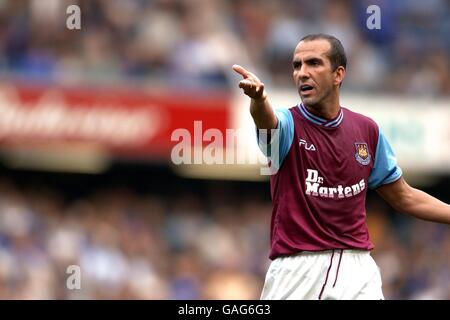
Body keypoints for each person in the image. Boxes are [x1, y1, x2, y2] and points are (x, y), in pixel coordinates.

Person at [232, 33, 450, 300]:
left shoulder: (366, 131)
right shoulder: (288, 125)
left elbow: (403, 196)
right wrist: (258, 100)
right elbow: (267, 121)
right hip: (298, 273)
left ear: (338, 74)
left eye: (313, 63)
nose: (302, 73)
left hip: (356, 269)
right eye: (297, 65)